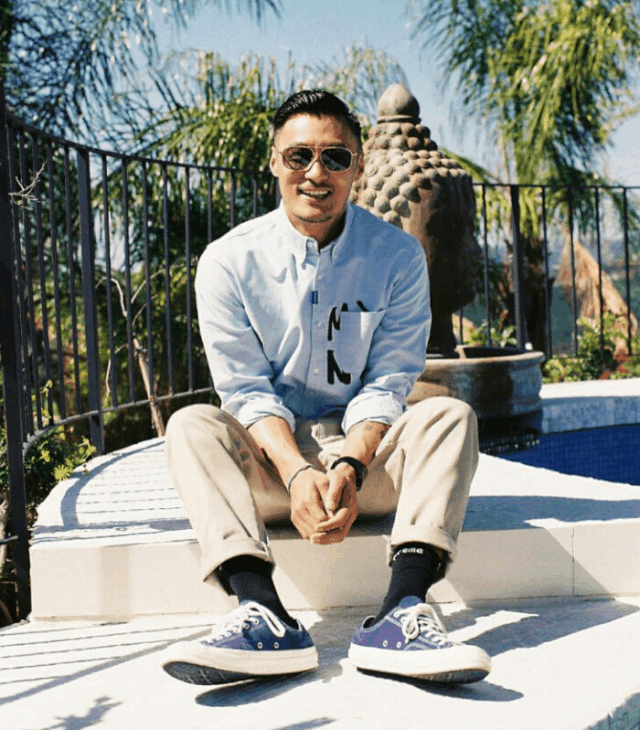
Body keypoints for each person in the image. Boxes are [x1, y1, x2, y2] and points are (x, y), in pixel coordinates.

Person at [161, 90, 491, 686]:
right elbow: (245, 391)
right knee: (191, 426)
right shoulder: (227, 261)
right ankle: (261, 612)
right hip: (271, 471)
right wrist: (296, 473)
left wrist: (349, 465)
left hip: (364, 470)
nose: (316, 173)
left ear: (357, 167)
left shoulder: (397, 257)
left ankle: (401, 613)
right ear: (274, 162)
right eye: (299, 156)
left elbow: (389, 381)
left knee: (450, 415)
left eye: (335, 158)